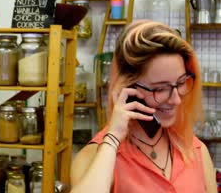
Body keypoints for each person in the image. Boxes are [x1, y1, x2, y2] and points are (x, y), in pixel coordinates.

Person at [70, 20, 217, 192]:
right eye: (160, 88)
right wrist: (114, 136)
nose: (176, 99)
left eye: (181, 82)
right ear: (128, 88)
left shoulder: (196, 150)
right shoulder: (95, 157)